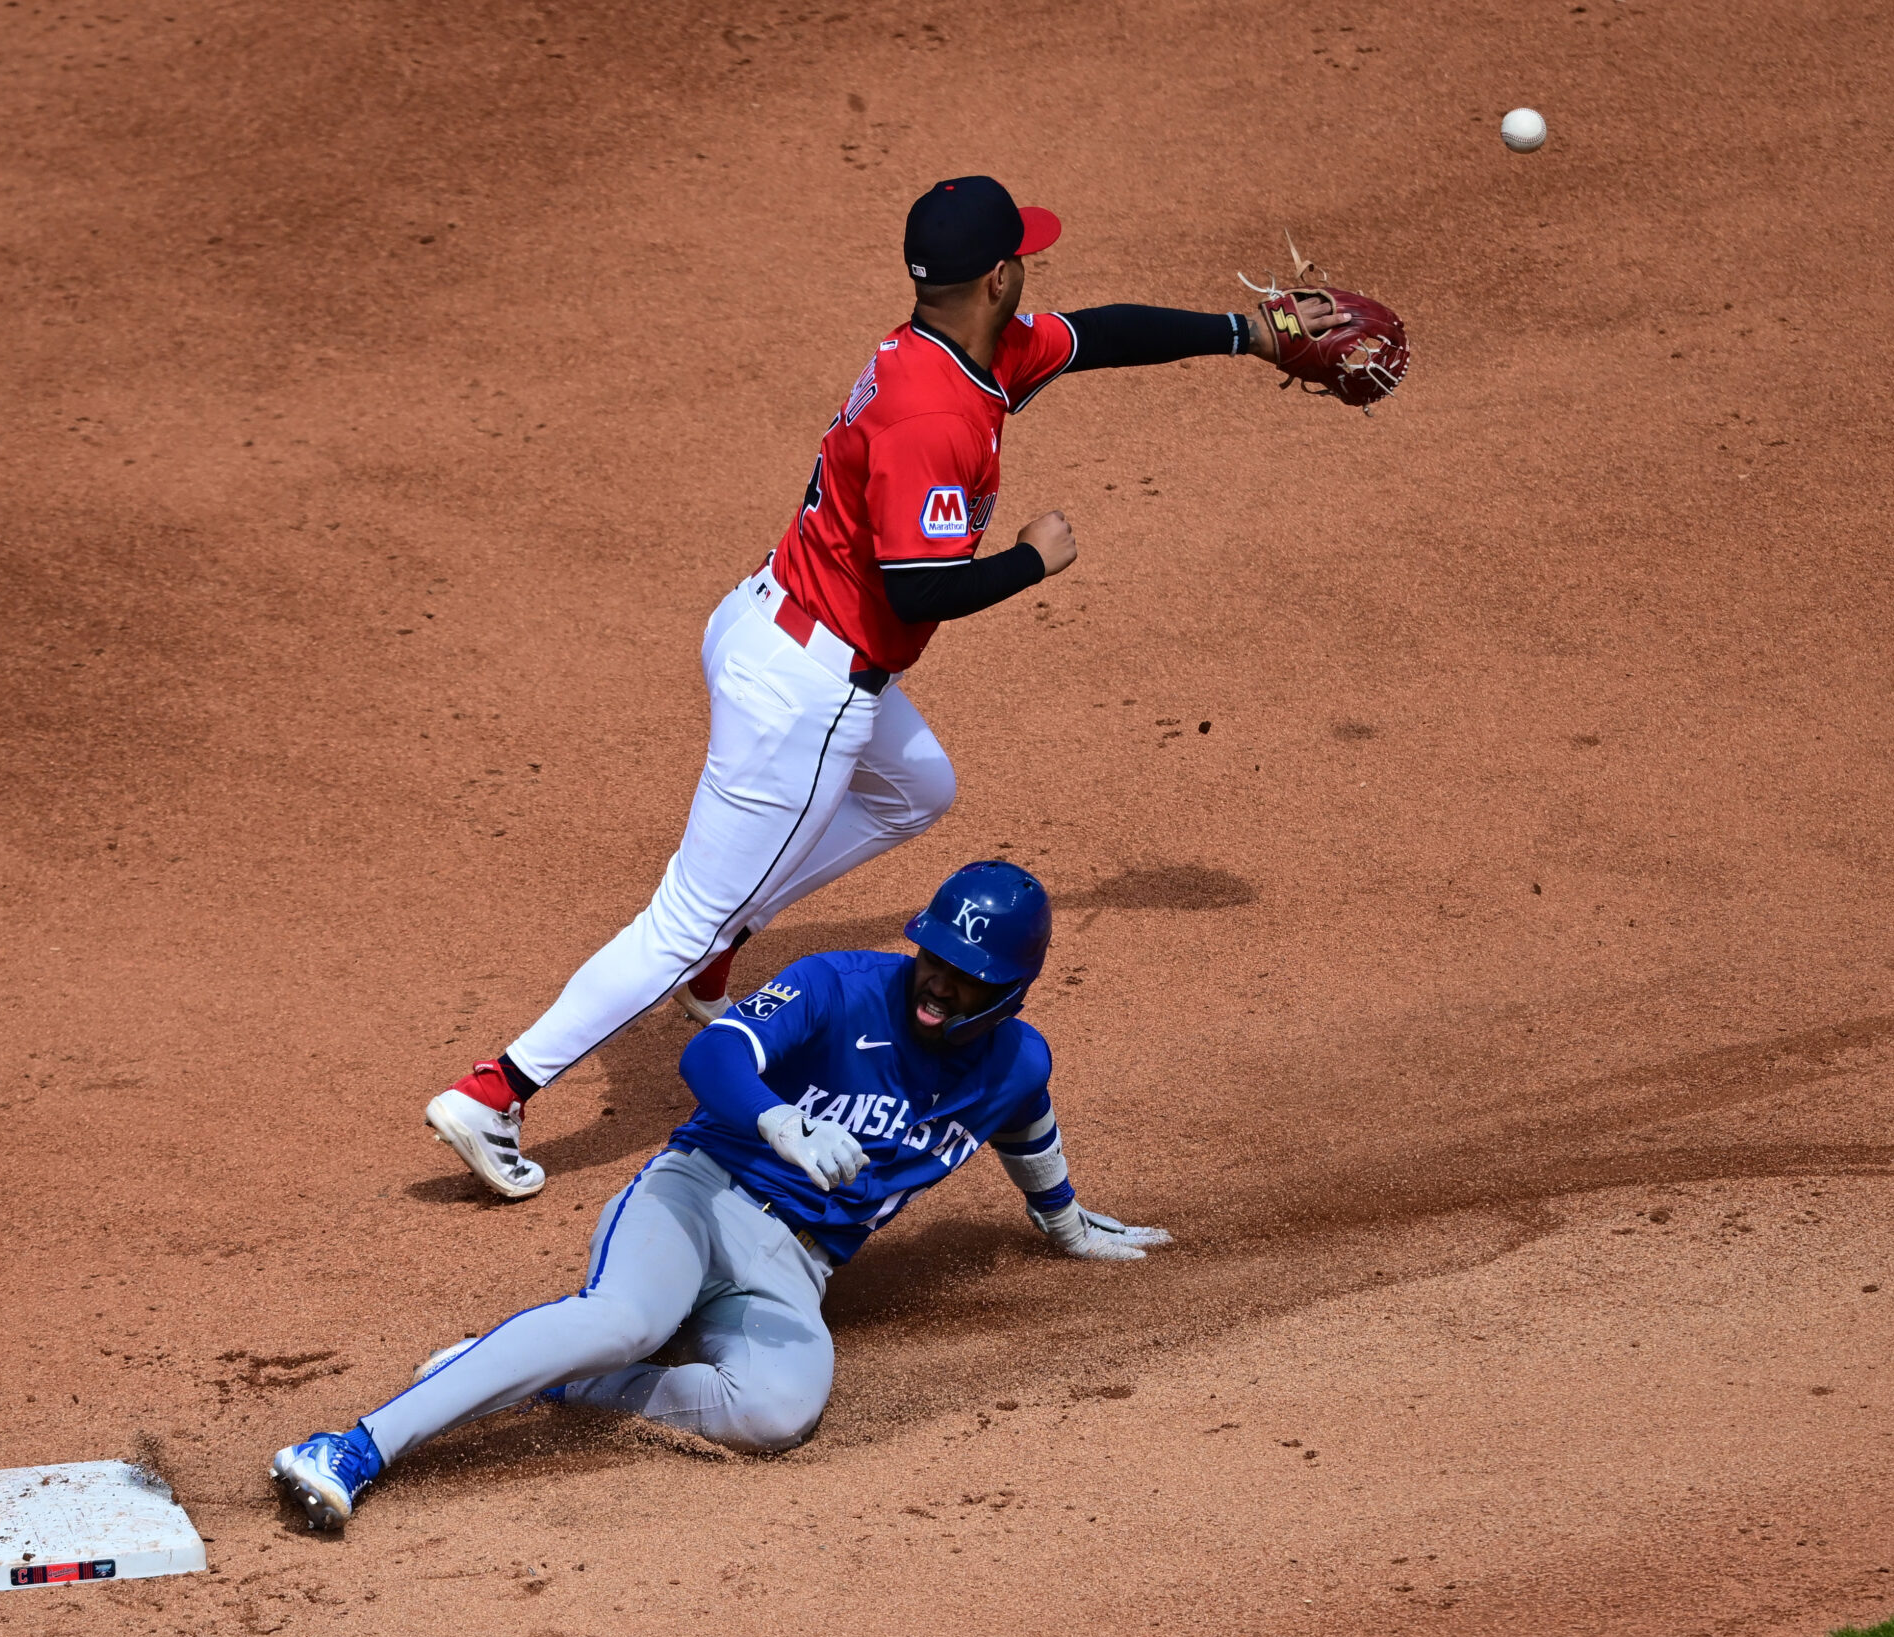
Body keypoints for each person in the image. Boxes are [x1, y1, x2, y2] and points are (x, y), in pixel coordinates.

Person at [425, 175, 1347, 1201]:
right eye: (1024, 257)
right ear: (999, 275)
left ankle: (715, 951)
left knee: (918, 791)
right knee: (682, 916)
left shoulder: (953, 343)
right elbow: (921, 584)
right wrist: (1034, 562)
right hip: (807, 693)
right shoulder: (930, 413)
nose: (1032, 272)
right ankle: (494, 1090)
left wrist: (1241, 332)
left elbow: (1096, 335)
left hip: (767, 618)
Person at [278, 862, 1168, 1528]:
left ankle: (552, 1379)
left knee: (781, 1410)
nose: (941, 982)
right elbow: (711, 1055)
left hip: (794, 1269)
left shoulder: (1017, 1058)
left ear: (1012, 989)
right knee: (624, 1317)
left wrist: (1060, 1218)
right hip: (699, 1195)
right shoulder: (836, 984)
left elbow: (1024, 1116)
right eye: (935, 956)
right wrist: (779, 1119)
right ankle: (354, 1446)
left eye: (969, 974)